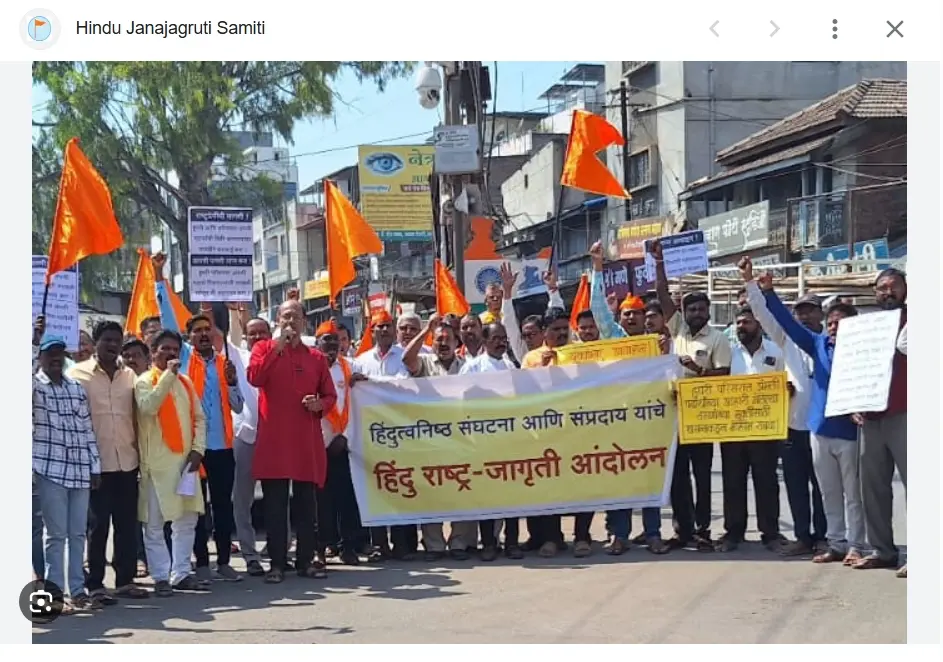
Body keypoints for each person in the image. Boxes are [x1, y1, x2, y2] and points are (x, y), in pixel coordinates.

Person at [755, 272, 866, 566]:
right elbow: (788, 324)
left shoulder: (864, 352)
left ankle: (856, 545)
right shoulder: (817, 344)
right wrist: (768, 292)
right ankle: (836, 543)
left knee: (853, 494)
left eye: (840, 323)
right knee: (829, 493)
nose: (834, 327)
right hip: (820, 429)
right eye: (831, 323)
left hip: (851, 432)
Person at [152, 255, 245, 582]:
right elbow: (167, 319)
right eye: (198, 332)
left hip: (222, 448)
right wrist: (159, 278)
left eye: (208, 330)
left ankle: (223, 562)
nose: (204, 335)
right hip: (192, 449)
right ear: (189, 338)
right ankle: (201, 564)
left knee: (222, 507)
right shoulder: (184, 359)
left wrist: (232, 383)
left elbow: (238, 407)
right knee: (194, 508)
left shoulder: (225, 363)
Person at [739, 257, 827, 557]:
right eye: (800, 311)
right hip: (792, 425)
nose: (805, 316)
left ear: (820, 314)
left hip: (823, 427)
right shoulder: (787, 340)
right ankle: (803, 537)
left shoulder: (829, 343)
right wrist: (750, 282)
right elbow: (762, 314)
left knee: (824, 487)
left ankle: (825, 537)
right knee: (795, 485)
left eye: (810, 310)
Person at [248, 299, 337, 583]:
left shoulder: (316, 358)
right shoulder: (263, 349)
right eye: (285, 316)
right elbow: (255, 377)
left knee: (306, 506)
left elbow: (330, 395)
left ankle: (305, 561)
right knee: (275, 507)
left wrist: (319, 404)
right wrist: (278, 347)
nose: (290, 321)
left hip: (304, 441)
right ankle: (277, 564)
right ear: (277, 320)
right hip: (274, 441)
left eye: (296, 316)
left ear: (304, 322)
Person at [587, 241, 668, 555]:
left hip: (649, 421)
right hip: (618, 421)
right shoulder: (615, 339)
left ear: (644, 317)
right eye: (626, 313)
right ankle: (619, 534)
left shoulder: (656, 343)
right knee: (618, 477)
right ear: (619, 318)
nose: (632, 317)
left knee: (649, 477)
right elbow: (597, 309)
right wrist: (598, 268)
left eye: (636, 313)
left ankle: (653, 533)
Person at [651, 239, 731, 552]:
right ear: (684, 312)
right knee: (678, 476)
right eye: (691, 309)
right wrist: (659, 263)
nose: (696, 313)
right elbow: (661, 293)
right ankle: (681, 530)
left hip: (702, 417)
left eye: (701, 309)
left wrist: (697, 371)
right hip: (675, 416)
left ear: (708, 312)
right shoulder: (678, 331)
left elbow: (723, 375)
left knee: (702, 476)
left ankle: (702, 530)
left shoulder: (718, 338)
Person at [68, 321, 149, 602]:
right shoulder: (77, 374)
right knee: (98, 526)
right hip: (95, 465)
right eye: (107, 340)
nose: (112, 345)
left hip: (127, 461)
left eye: (117, 340)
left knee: (126, 524)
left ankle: (125, 580)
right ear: (96, 343)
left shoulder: (130, 376)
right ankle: (95, 585)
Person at [403, 315, 483, 560]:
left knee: (464, 488)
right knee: (432, 491)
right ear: (432, 342)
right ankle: (434, 545)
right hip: (431, 439)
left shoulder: (467, 366)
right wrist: (426, 329)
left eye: (448, 339)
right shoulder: (425, 363)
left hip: (462, 439)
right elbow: (407, 359)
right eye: (439, 339)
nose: (444, 343)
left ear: (457, 341)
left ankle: (460, 542)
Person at [135, 329, 208, 596]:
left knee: (186, 522)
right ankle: (160, 577)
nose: (170, 353)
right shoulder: (144, 381)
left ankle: (181, 573)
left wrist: (198, 450)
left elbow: (199, 418)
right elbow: (148, 407)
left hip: (186, 464)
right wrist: (168, 375)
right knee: (155, 525)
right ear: (152, 352)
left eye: (175, 349)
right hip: (157, 466)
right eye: (164, 348)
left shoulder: (185, 382)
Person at [33, 335, 102, 613]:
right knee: (55, 535)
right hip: (49, 469)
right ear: (40, 357)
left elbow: (87, 429)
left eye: (60, 353)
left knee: (77, 534)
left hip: (79, 469)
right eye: (50, 353)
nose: (55, 358)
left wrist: (94, 466)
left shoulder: (75, 387)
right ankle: (55, 594)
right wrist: (33, 343)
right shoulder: (36, 386)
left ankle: (78, 591)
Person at [716, 306, 787, 552]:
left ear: (758, 324)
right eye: (738, 323)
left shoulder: (776, 352)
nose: (741, 327)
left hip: (765, 430)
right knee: (733, 481)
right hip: (733, 429)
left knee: (766, 481)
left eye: (746, 322)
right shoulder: (729, 353)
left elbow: (787, 382)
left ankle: (770, 533)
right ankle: (734, 532)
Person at [852, 268, 907, 576]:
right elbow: (853, 368)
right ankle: (882, 551)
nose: (888, 292)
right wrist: (853, 402)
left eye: (893, 286)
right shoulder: (865, 327)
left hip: (907, 412)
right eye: (882, 288)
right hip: (871, 416)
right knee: (872, 488)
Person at [518, 309, 581, 557]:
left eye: (565, 328)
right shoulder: (531, 358)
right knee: (546, 486)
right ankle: (548, 538)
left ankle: (578, 537)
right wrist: (542, 370)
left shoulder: (579, 353)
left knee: (580, 482)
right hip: (543, 432)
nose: (562, 333)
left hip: (575, 429)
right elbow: (524, 392)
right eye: (556, 329)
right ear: (544, 331)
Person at [355, 309, 415, 560]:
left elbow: (401, 384)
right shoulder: (361, 360)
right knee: (376, 488)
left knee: (400, 486)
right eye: (379, 326)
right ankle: (379, 544)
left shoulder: (404, 357)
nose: (384, 330)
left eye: (388, 325)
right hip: (371, 433)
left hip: (400, 432)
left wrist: (368, 380)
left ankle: (403, 544)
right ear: (372, 330)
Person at [458, 320, 520, 560]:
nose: (501, 342)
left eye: (504, 338)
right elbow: (462, 400)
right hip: (482, 439)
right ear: (484, 341)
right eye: (496, 338)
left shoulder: (511, 366)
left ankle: (512, 542)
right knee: (487, 495)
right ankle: (488, 544)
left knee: (512, 495)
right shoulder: (472, 368)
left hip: (509, 439)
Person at [315, 319, 369, 566]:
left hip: (344, 442)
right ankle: (321, 547)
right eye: (327, 339)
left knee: (347, 498)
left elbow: (361, 399)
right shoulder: (310, 367)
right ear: (317, 343)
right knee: (320, 501)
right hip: (317, 443)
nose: (332, 344)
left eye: (336, 340)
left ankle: (349, 547)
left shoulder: (349, 367)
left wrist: (344, 436)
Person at [230, 315, 272, 577]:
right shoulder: (238, 357)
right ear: (245, 337)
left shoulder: (280, 356)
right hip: (245, 437)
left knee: (277, 498)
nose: (257, 337)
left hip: (275, 438)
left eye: (262, 332)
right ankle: (250, 555)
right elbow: (220, 335)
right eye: (252, 333)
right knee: (242, 500)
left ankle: (278, 550)